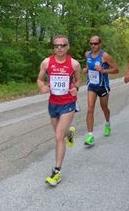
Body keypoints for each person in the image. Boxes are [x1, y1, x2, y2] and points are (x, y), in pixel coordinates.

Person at [37, 35, 81, 186]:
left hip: (68, 103)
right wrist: (42, 86)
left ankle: (57, 172)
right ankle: (70, 134)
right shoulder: (46, 62)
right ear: (53, 48)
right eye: (56, 46)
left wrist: (76, 88)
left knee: (57, 137)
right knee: (60, 135)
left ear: (68, 47)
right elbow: (40, 79)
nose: (59, 48)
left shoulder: (74, 64)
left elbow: (78, 80)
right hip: (53, 103)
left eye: (63, 45)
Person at [83, 35, 119, 147]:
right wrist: (86, 69)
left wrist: (103, 70)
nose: (93, 45)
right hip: (92, 85)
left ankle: (107, 123)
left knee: (104, 107)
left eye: (96, 43)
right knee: (90, 109)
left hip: (103, 86)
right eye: (91, 43)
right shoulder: (87, 54)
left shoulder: (105, 56)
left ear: (100, 44)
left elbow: (116, 70)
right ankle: (90, 135)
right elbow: (88, 65)